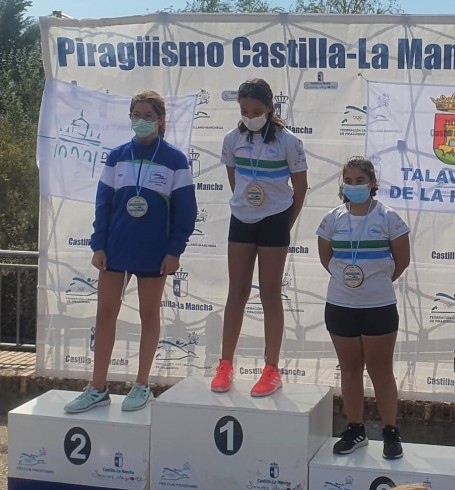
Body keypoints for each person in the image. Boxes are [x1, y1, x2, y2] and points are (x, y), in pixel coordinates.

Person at [65, 90, 197, 413]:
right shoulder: (117, 156)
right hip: (116, 247)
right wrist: (98, 243)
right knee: (105, 313)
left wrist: (174, 250)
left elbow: (187, 211)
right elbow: (104, 203)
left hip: (154, 251)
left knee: (148, 314)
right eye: (135, 115)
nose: (140, 121)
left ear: (161, 120)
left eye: (147, 116)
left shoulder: (175, 159)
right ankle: (97, 388)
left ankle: (142, 385)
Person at [211, 78, 308, 397]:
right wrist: (246, 205)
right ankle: (225, 364)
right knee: (236, 292)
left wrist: (284, 223)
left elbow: (301, 188)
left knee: (269, 294)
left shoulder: (288, 141)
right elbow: (234, 180)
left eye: (256, 110)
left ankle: (271, 368)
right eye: (243, 110)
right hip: (242, 219)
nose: (249, 115)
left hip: (274, 220)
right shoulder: (231, 139)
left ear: (270, 108)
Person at [316, 157, 410, 460]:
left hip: (378, 306)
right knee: (351, 370)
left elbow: (401, 261)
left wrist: (375, 284)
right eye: (349, 181)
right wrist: (350, 286)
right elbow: (327, 260)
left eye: (360, 180)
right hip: (341, 306)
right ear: (342, 184)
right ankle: (355, 430)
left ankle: (390, 433)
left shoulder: (389, 218)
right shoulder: (332, 219)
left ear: (372, 183)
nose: (354, 186)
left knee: (381, 371)